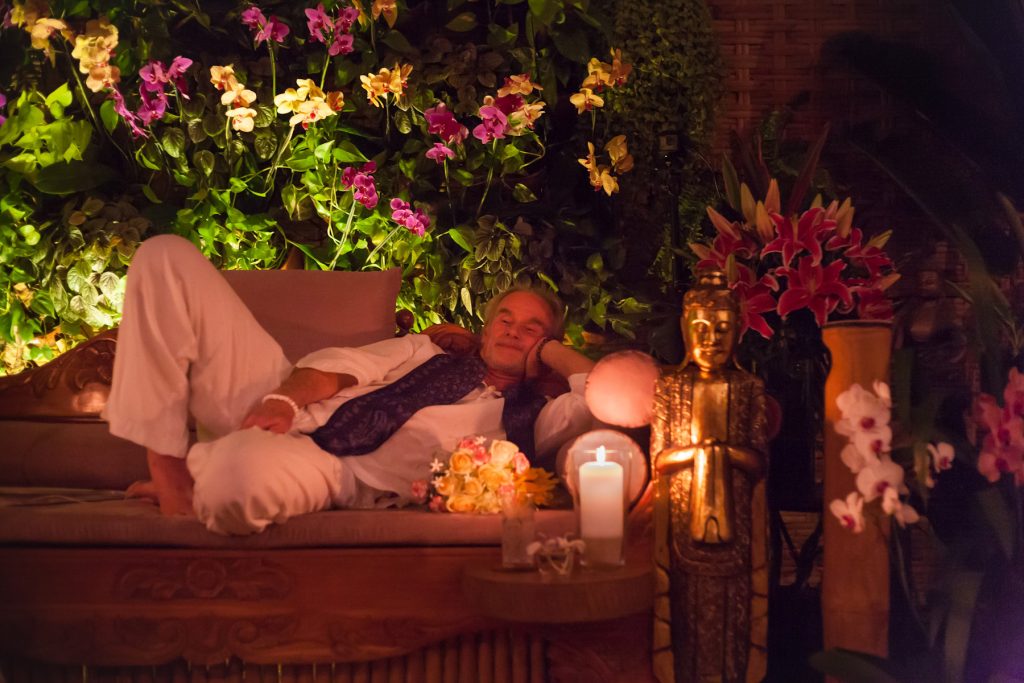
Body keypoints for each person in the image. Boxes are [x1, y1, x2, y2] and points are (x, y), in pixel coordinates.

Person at [103, 235, 595, 535]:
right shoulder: (425, 350)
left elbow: (601, 393)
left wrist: (549, 356)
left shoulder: (536, 416)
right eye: (504, 319)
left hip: (329, 466)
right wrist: (281, 399)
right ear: (485, 331)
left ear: (547, 342)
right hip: (279, 394)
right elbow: (339, 367)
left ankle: (202, 477)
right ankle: (169, 470)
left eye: (531, 328)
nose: (512, 330)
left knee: (234, 482)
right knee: (165, 256)